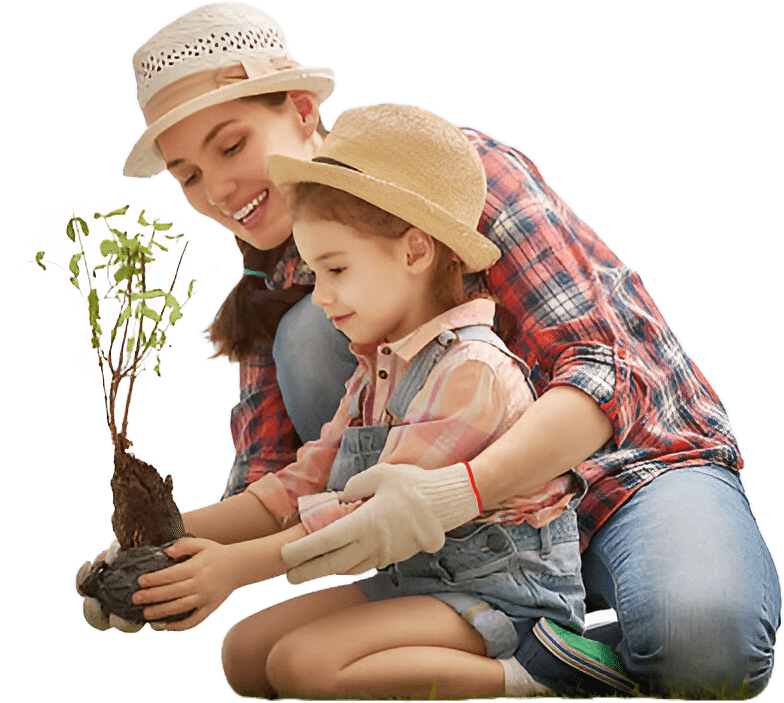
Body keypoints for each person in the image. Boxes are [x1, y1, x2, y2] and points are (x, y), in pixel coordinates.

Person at [79, 2, 780, 699]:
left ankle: (551, 650)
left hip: (627, 471)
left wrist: (451, 492)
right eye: (188, 174)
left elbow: (602, 374)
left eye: (230, 146)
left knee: (704, 649)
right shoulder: (287, 284)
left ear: (299, 109)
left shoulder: (450, 175)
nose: (218, 189)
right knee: (305, 339)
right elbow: (284, 480)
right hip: (447, 541)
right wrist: (159, 551)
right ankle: (510, 621)